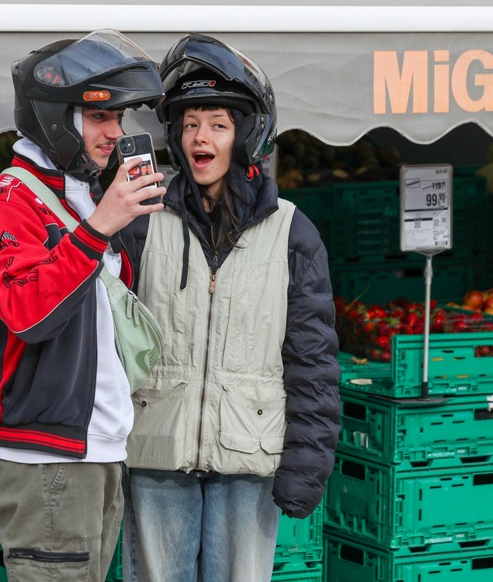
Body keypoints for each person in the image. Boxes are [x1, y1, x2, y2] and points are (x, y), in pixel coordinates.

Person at [117, 33, 341, 581]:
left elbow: (312, 359)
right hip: (156, 454)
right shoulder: (142, 221)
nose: (201, 137)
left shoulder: (293, 232)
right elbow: (113, 340)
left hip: (250, 457)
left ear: (244, 134)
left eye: (217, 124)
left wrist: (307, 464)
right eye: (190, 124)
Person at [0, 29, 166, 582]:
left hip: (98, 446)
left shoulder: (87, 195)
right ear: (54, 118)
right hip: (45, 458)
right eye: (99, 119)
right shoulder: (6, 203)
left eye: (118, 120)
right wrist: (98, 228)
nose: (114, 134)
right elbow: (29, 313)